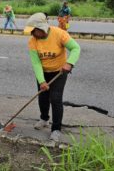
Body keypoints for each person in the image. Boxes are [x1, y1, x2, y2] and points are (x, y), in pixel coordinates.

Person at [24, 12, 81, 142]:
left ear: (41, 28)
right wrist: (42, 81)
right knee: (43, 97)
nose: (31, 33)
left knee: (55, 99)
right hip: (43, 72)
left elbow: (76, 48)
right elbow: (36, 62)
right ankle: (44, 118)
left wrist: (69, 63)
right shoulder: (32, 41)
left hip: (59, 72)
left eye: (33, 30)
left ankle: (56, 129)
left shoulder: (59, 34)